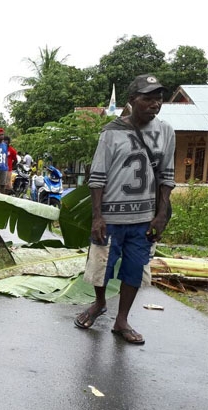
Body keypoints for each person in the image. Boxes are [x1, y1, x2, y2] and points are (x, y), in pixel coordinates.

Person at [74, 74, 176, 345]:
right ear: (132, 101)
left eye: (159, 99)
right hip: (111, 216)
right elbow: (97, 177)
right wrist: (97, 216)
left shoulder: (166, 131)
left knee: (134, 268)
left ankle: (122, 320)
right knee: (101, 266)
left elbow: (167, 176)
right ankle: (99, 304)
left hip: (144, 218)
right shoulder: (111, 132)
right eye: (148, 98)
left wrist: (162, 214)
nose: (155, 104)